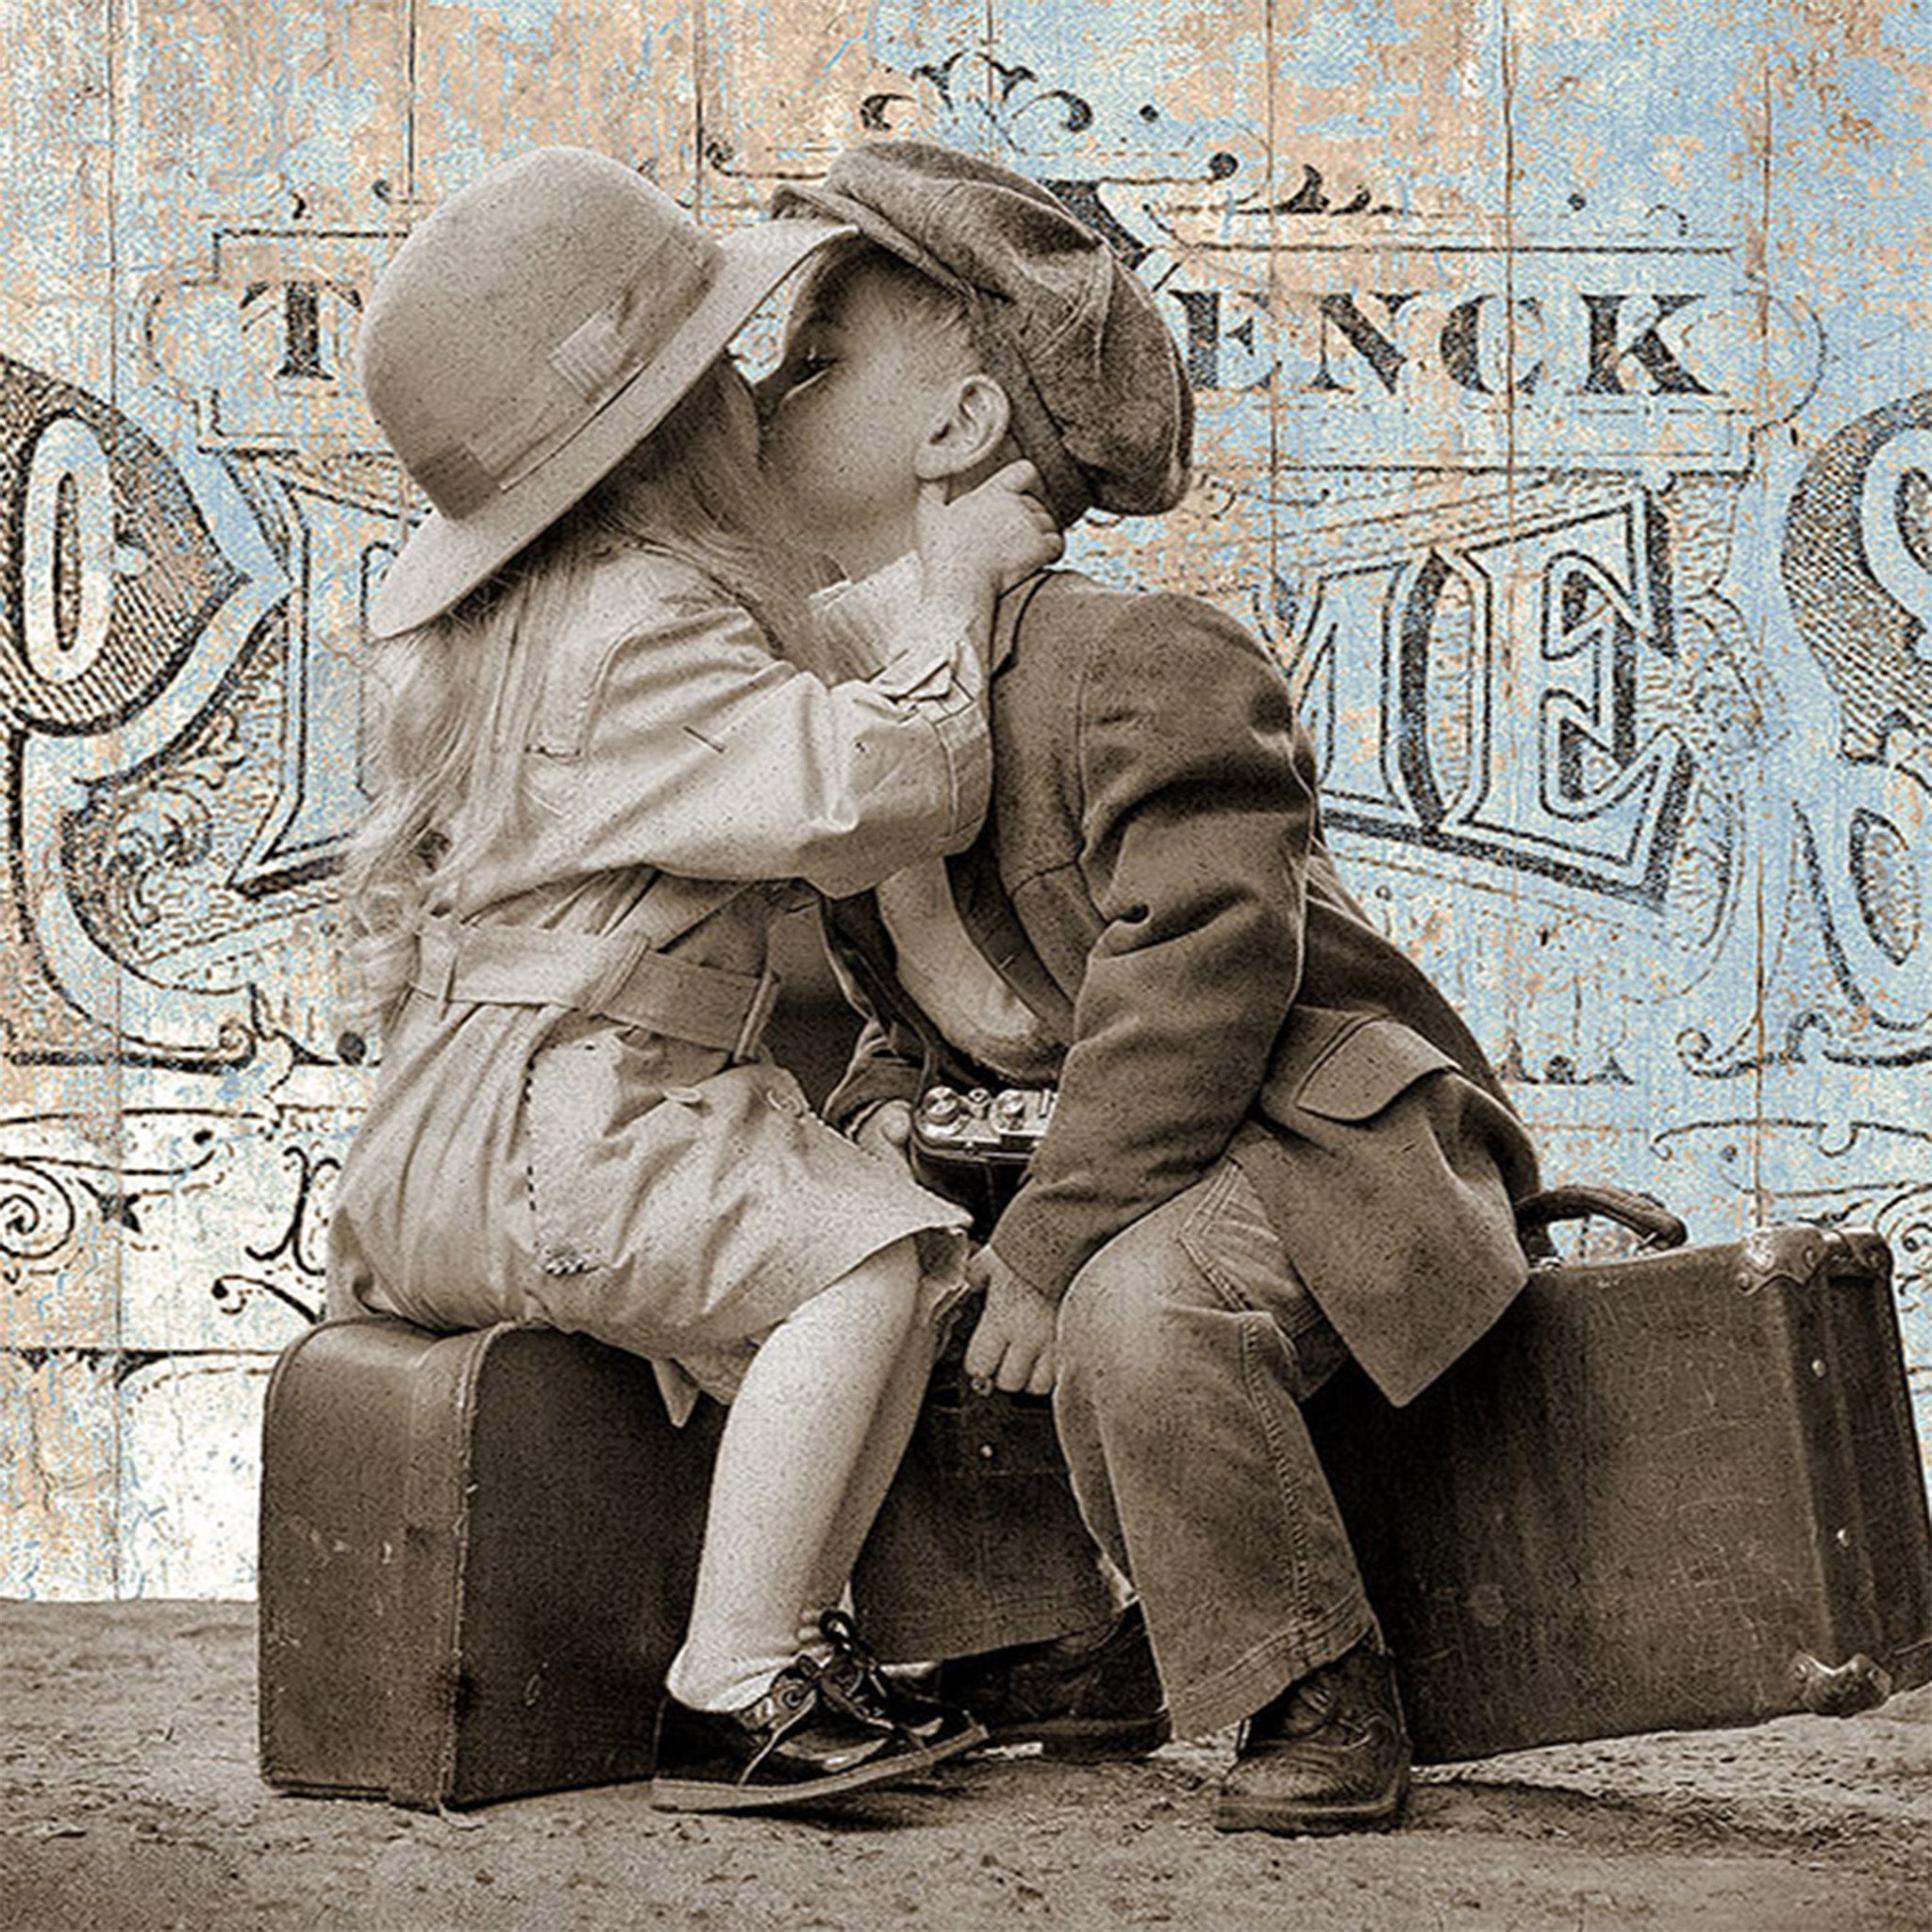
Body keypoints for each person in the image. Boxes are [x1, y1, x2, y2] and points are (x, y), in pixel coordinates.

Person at [757, 141, 1542, 1835]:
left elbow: (1205, 968)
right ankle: (1097, 1632)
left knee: (1132, 1312)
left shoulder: (1133, 660)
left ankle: (1314, 1686)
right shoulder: (849, 699)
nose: (761, 394)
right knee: (888, 1288)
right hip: (1110, 1150)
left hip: (1311, 1139)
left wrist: (1047, 1237)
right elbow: (892, 1004)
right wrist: (888, 1124)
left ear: (959, 429)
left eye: (812, 363)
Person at [325, 145, 1064, 1813]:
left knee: (876, 1246)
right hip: (557, 1139)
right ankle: (741, 1680)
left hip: (474, 1136)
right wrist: (955, 589)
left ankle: (793, 1634)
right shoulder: (645, 629)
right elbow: (879, 780)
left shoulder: (558, 618)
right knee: (868, 1265)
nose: (753, 395)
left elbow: (801, 681)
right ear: (667, 434)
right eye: (730, 371)